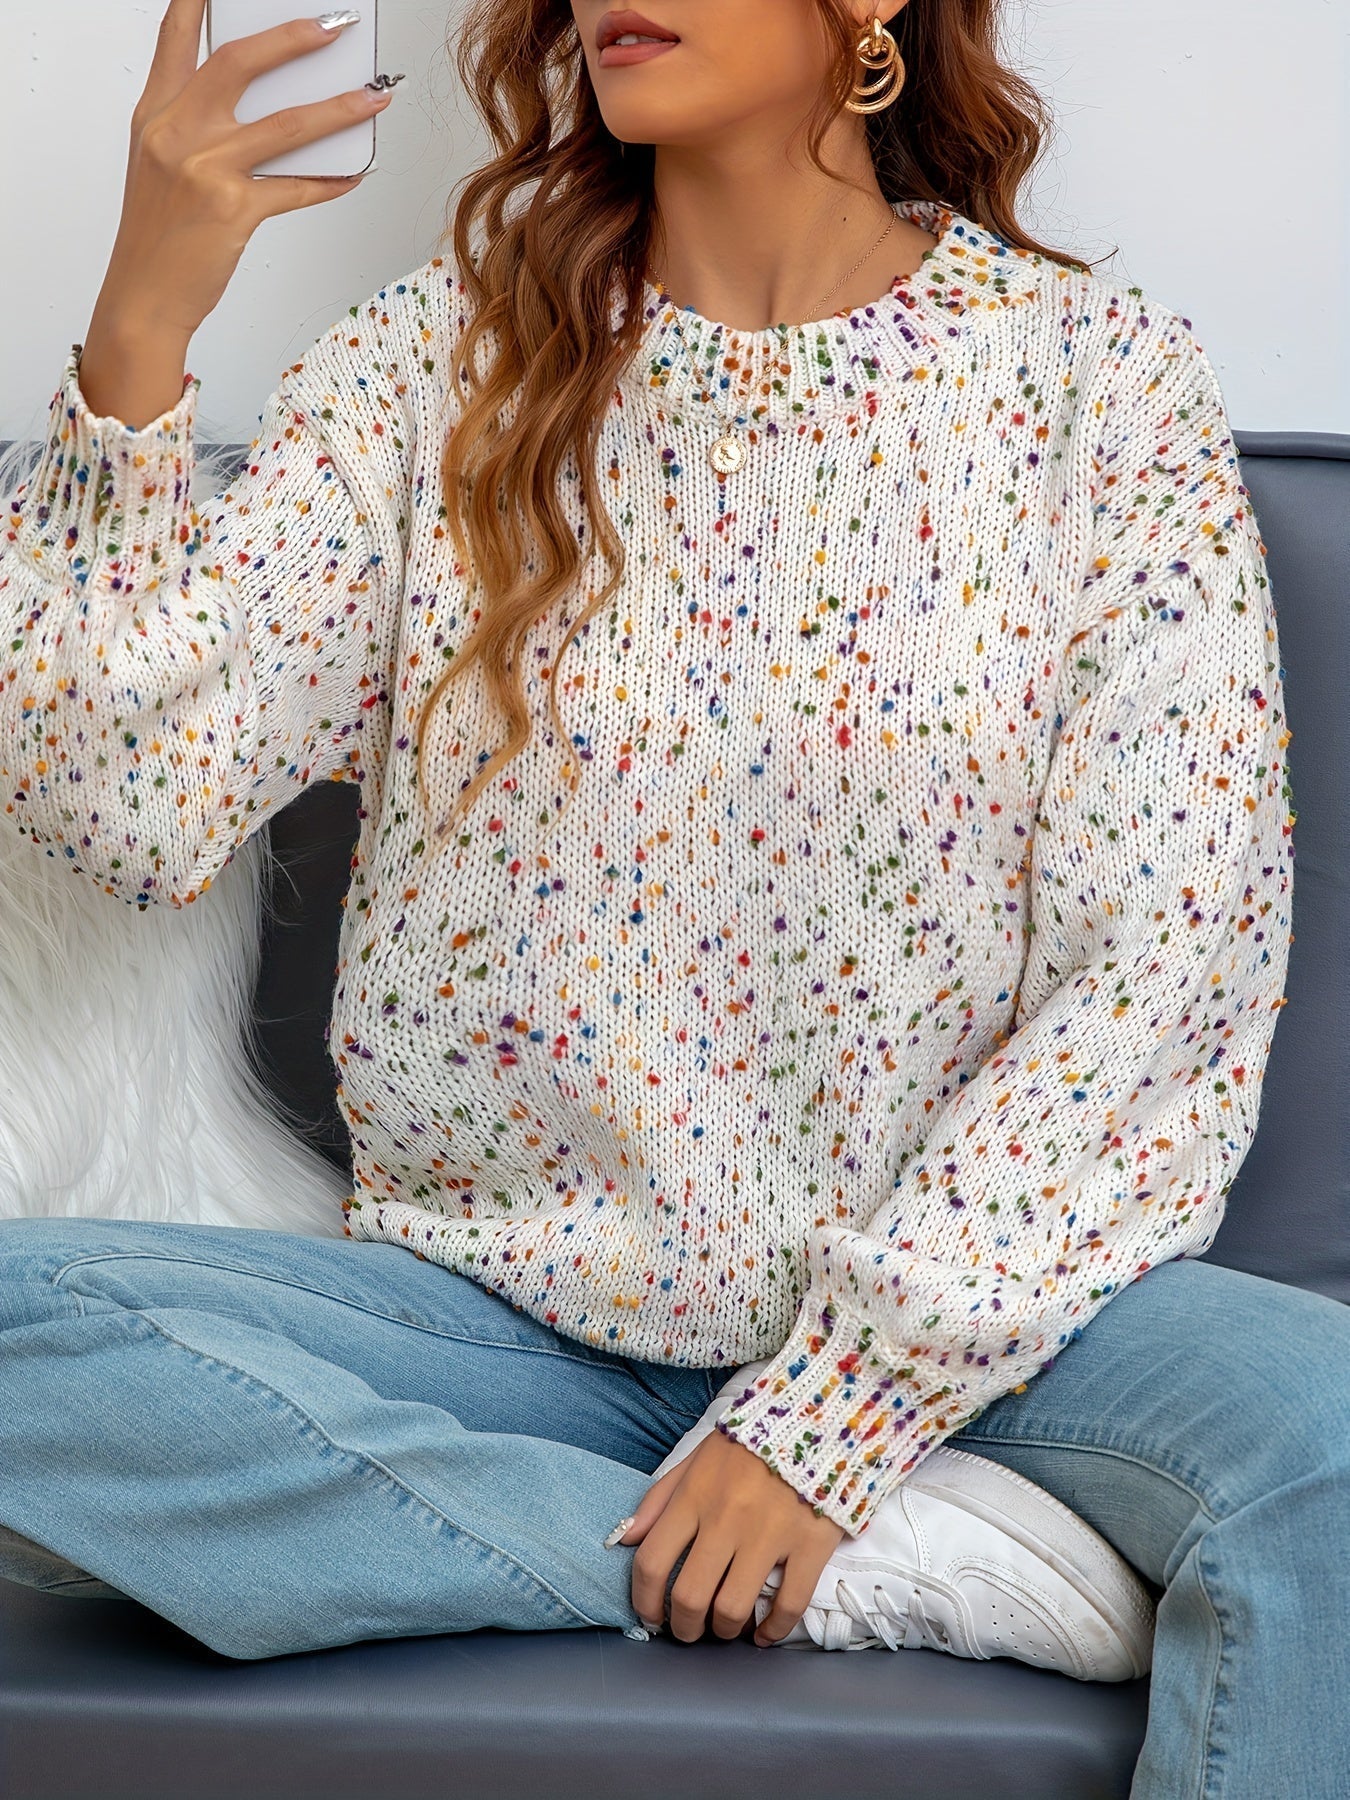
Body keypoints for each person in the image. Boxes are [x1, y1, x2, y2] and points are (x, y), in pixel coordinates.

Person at [1, 1, 1345, 1794]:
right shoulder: (431, 367)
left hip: (987, 1334)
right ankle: (876, 1581)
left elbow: (1169, 962)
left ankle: (736, 1511)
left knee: (1328, 1442)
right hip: (507, 1326)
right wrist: (143, 321)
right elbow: (120, 805)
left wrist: (830, 1419)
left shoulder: (1095, 380)